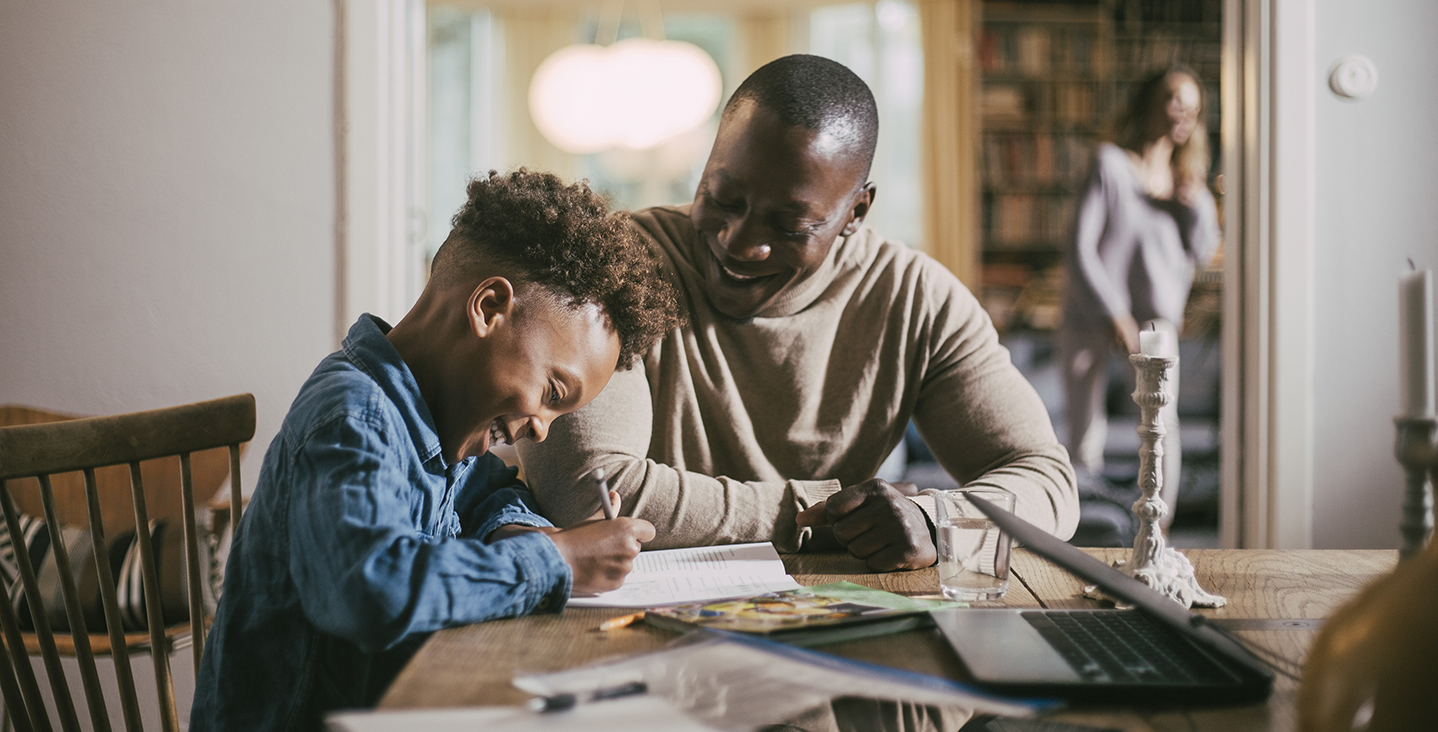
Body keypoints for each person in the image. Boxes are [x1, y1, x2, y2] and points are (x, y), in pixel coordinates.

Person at [518, 55, 1079, 574]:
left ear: (856, 211)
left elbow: (1047, 481)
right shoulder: (615, 265)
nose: (739, 243)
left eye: (789, 225)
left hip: (840, 614)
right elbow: (588, 493)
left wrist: (936, 519)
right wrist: (818, 515)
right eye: (722, 198)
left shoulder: (915, 298)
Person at [191, 170, 678, 731]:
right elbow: (370, 589)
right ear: (490, 307)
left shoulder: (441, 423)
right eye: (551, 394)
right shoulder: (353, 418)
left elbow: (488, 490)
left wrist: (520, 530)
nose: (541, 430)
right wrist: (558, 560)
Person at [1059, 66, 1221, 521]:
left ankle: (1158, 533)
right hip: (1091, 318)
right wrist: (1116, 316)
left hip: (1155, 325)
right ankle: (1080, 527)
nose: (1183, 110)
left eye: (1192, 103)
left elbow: (1203, 252)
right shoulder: (1109, 163)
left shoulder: (1189, 185)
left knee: (1161, 429)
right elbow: (1080, 247)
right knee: (1083, 436)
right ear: (1149, 102)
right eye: (1173, 97)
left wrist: (1193, 207)